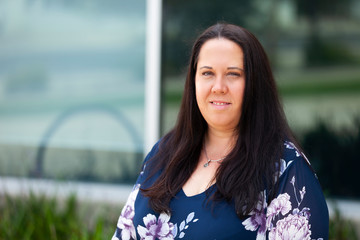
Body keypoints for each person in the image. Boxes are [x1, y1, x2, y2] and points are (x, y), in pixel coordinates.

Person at [112, 23, 329, 240]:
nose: (218, 86)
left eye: (233, 74)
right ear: (193, 81)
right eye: (207, 73)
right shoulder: (163, 153)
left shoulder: (286, 170)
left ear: (255, 84)